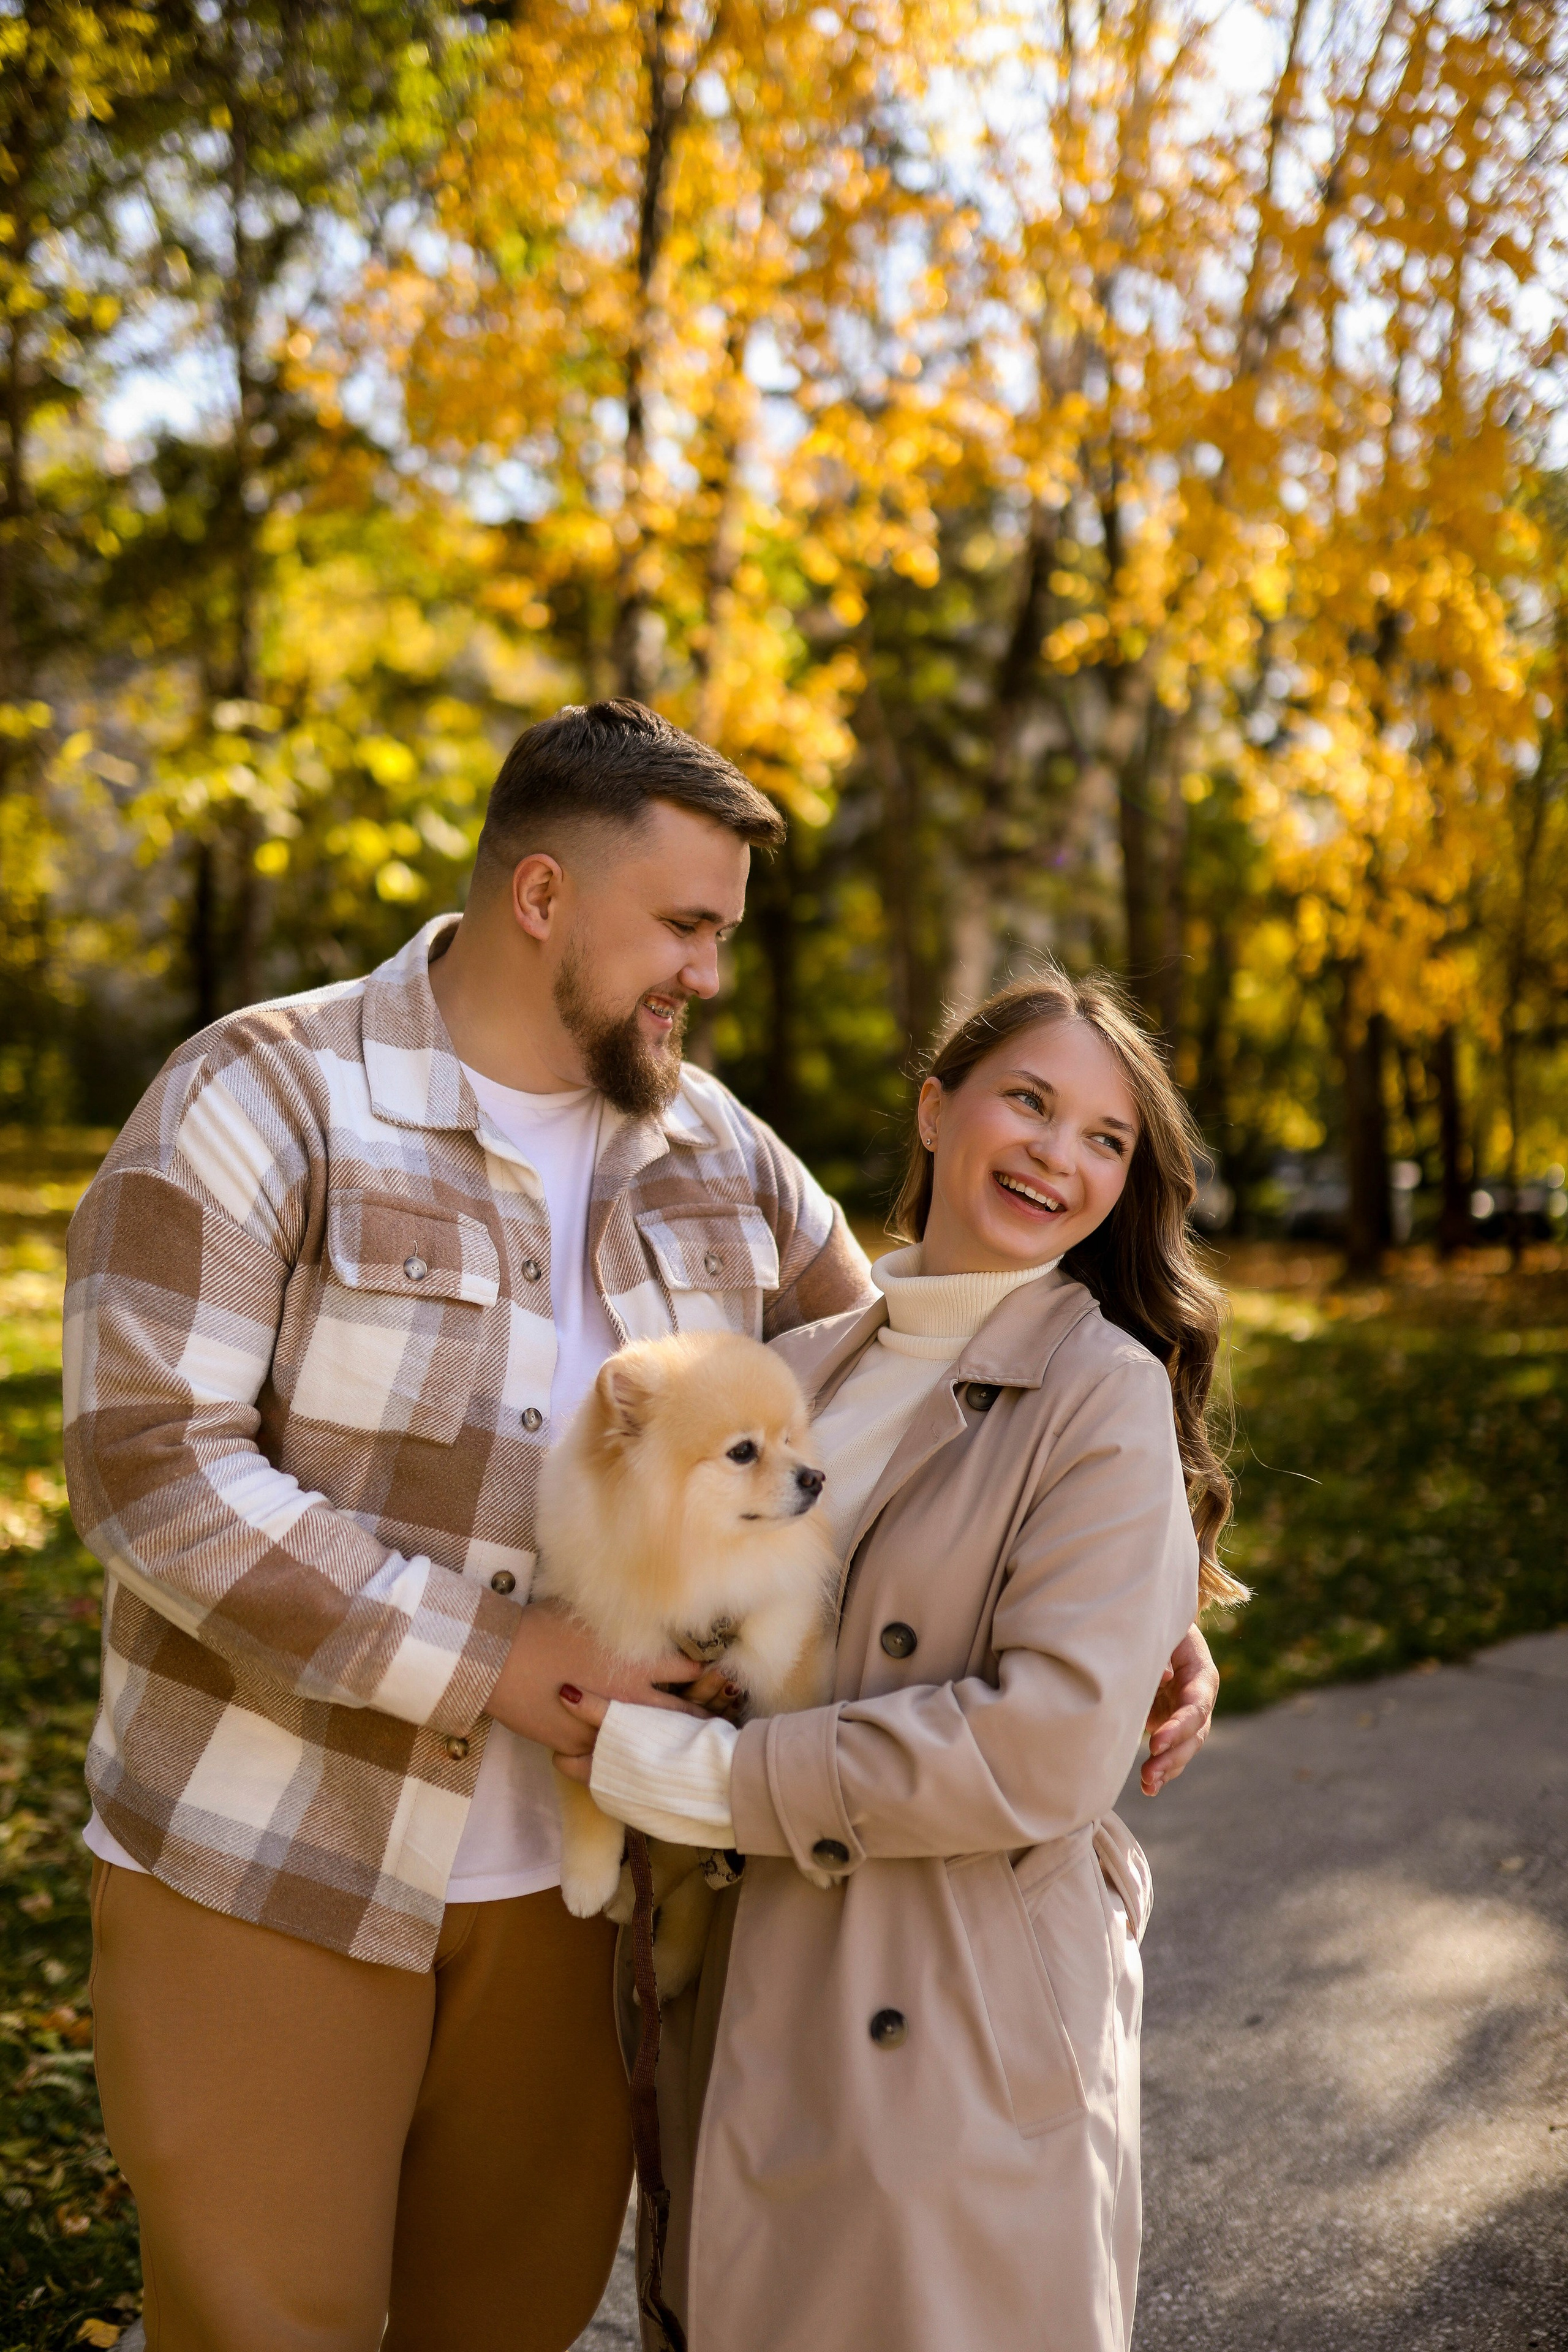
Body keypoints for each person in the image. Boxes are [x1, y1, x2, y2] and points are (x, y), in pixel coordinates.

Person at [64, 698, 1219, 2351]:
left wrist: (1144, 1610)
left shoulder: (722, 1158)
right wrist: (493, 1660)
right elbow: (150, 1471)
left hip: (585, 1897)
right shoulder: (265, 1096)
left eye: (723, 934)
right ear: (543, 896)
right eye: (684, 926)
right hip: (272, 1859)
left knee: (505, 2328)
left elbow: (920, 1408)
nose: (709, 972)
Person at [563, 964, 1246, 2352]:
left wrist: (711, 1782)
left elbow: (1046, 1745)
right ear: (935, 1112)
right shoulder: (802, 1366)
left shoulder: (1102, 1392)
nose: (1058, 1155)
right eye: (1028, 1103)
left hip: (944, 2012)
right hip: (751, 1988)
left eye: (1105, 1139)